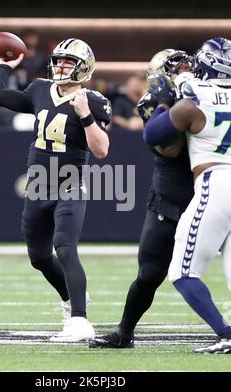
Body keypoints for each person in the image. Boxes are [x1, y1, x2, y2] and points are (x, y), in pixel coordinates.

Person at [0, 38, 111, 342]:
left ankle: (80, 321)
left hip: (70, 181)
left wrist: (85, 115)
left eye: (68, 61)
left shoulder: (92, 99)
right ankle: (72, 300)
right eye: (58, 60)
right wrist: (5, 65)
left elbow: (102, 150)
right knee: (39, 258)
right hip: (39, 184)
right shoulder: (40, 89)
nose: (61, 66)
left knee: (65, 247)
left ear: (84, 67)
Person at [89, 49, 194, 348]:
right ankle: (125, 332)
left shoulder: (209, 97)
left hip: (210, 195)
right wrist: (174, 107)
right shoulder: (153, 102)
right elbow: (168, 148)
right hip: (170, 197)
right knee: (149, 274)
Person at [142, 37, 231, 354]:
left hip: (216, 181)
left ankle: (225, 333)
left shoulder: (198, 95)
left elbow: (154, 135)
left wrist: (163, 103)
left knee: (181, 272)